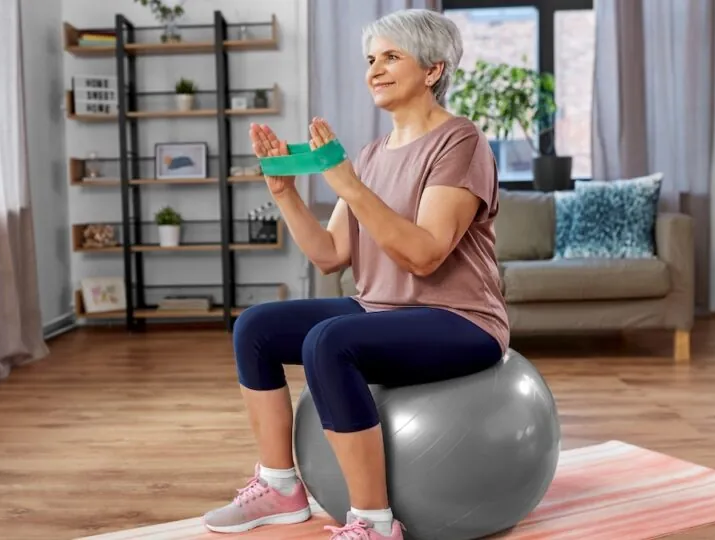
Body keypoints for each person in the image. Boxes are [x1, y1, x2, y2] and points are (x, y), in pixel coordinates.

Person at [202, 8, 508, 540]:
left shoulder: (460, 142)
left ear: (433, 70)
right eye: (371, 59)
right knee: (255, 327)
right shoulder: (369, 155)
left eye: (392, 57)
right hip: (379, 308)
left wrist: (346, 182)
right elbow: (330, 253)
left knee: (329, 341)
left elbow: (426, 254)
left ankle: (372, 522)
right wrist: (287, 195)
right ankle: (280, 488)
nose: (375, 70)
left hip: (460, 319)